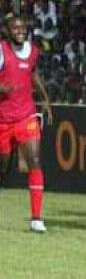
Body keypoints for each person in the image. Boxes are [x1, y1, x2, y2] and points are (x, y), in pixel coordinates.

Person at [0, 15, 53, 233]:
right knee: (2, 168)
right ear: (7, 30)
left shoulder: (32, 51)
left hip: (26, 116)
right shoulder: (2, 51)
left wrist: (46, 99)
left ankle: (36, 218)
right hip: (3, 119)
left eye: (23, 27)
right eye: (15, 28)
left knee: (35, 160)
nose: (20, 31)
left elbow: (33, 73)